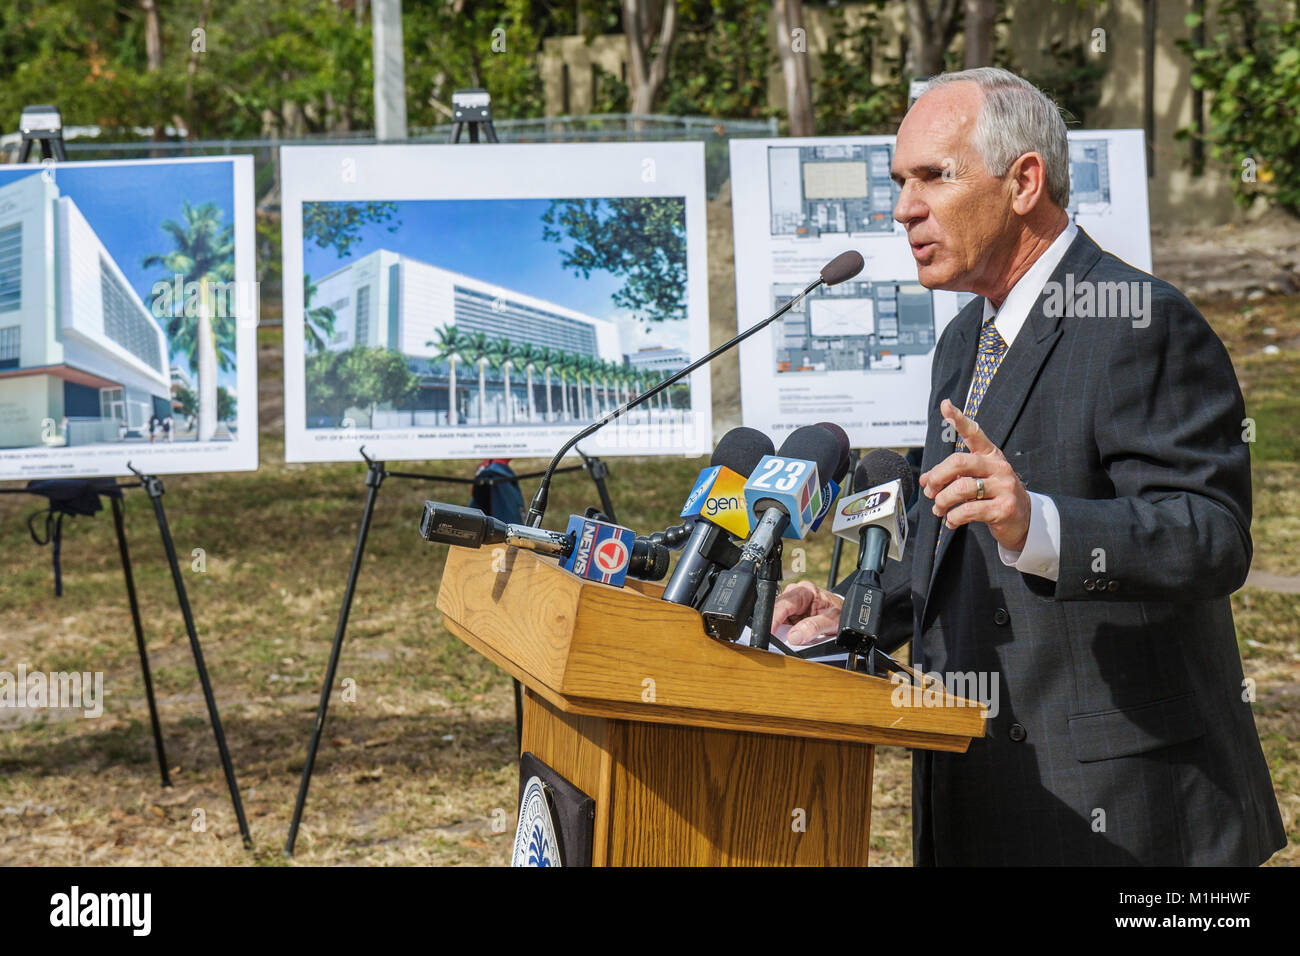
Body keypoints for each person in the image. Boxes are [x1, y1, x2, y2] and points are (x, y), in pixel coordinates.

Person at [772, 67, 1285, 865]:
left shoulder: (1139, 320)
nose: (904, 208)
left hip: (1129, 815)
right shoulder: (960, 342)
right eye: (900, 181)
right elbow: (953, 542)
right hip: (981, 789)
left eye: (934, 177)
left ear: (1024, 182)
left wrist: (1039, 521)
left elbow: (1211, 537)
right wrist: (856, 612)